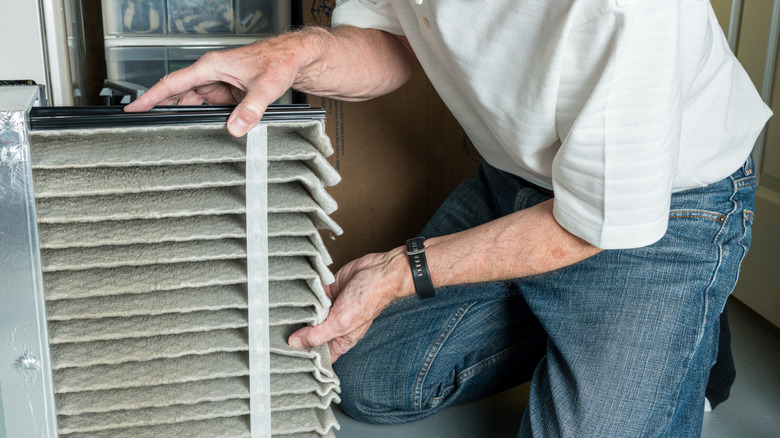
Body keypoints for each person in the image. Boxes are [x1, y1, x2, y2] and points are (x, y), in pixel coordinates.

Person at [126, 1, 772, 435]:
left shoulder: (633, 10)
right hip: (515, 180)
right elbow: (393, 38)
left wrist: (396, 272)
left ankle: (686, 317)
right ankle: (599, 325)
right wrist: (301, 53)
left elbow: (594, 220)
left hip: (657, 208)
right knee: (364, 380)